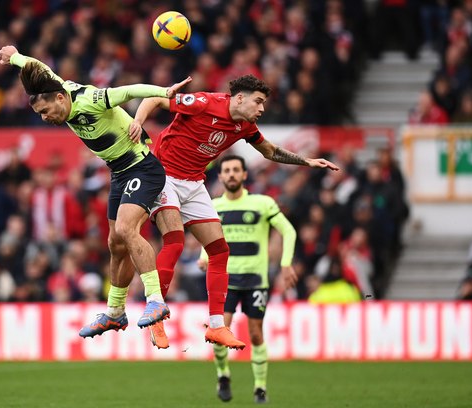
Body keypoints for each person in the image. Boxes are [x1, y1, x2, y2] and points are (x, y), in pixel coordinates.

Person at [128, 74, 339, 350]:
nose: (262, 109)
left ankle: (217, 326)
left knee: (219, 251)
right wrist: (137, 121)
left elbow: (270, 151)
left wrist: (307, 161)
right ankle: (156, 314)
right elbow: (155, 98)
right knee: (175, 240)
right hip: (164, 174)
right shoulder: (204, 102)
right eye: (258, 102)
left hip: (194, 182)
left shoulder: (245, 126)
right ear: (240, 98)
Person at [0, 45, 191, 335]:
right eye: (39, 114)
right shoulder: (56, 87)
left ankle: (155, 300)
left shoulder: (90, 99)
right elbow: (36, 66)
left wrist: (164, 91)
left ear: (60, 99)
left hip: (142, 166)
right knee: (115, 244)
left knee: (127, 230)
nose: (45, 117)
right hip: (118, 172)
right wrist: (14, 57)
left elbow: (127, 91)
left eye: (46, 111)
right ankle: (115, 312)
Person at [199, 155, 298, 404]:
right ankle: (223, 375)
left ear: (244, 175)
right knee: (220, 331)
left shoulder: (262, 203)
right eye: (227, 171)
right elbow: (207, 236)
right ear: (220, 176)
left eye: (236, 170)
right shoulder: (213, 206)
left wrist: (286, 264)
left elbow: (288, 230)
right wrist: (203, 255)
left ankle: (260, 387)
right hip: (226, 280)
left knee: (255, 334)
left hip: (255, 280)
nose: (231, 174)